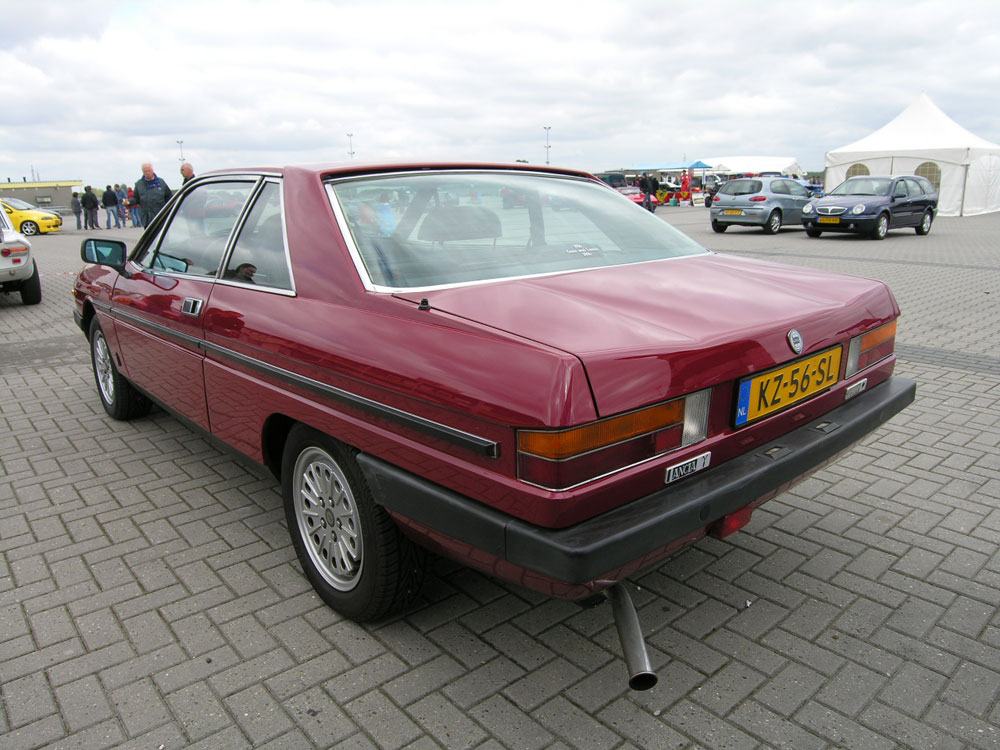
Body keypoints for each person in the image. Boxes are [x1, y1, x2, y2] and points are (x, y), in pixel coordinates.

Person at [134, 163, 172, 227]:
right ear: (143, 172)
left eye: (149, 171)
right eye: (145, 171)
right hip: (146, 218)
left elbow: (169, 197)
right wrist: (129, 202)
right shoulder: (139, 184)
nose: (147, 173)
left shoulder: (161, 182)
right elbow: (136, 198)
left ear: (152, 170)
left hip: (160, 216)